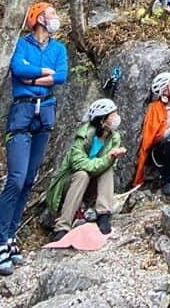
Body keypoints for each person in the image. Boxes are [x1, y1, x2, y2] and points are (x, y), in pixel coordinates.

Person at [0, 1, 69, 276]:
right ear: (39, 18)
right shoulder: (23, 44)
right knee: (16, 178)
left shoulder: (59, 48)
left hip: (45, 113)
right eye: (52, 13)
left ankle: (10, 237)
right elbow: (17, 69)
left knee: (29, 180)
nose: (56, 18)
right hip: (22, 113)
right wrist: (41, 75)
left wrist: (36, 78)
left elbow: (61, 76)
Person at [45, 98, 126, 236]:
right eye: (112, 115)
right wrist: (108, 158)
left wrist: (110, 159)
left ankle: (103, 214)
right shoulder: (83, 137)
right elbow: (80, 164)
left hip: (90, 189)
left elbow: (104, 166)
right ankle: (63, 226)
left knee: (107, 168)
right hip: (69, 187)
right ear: (102, 120)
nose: (116, 117)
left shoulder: (114, 138)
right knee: (83, 174)